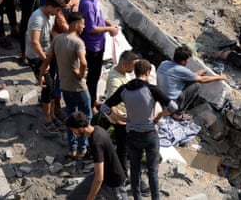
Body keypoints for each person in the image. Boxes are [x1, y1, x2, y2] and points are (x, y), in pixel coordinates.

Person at [101, 59, 178, 200]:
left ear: (135, 72)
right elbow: (173, 107)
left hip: (132, 135)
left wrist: (120, 118)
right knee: (153, 171)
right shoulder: (151, 89)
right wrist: (159, 115)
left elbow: (104, 107)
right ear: (148, 72)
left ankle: (138, 198)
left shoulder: (124, 89)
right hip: (150, 135)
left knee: (135, 170)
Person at [41, 11, 90, 159]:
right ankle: (82, 149)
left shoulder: (57, 39)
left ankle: (72, 149)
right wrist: (81, 74)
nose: (84, 27)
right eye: (82, 24)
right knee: (86, 117)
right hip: (79, 87)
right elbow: (84, 62)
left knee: (71, 116)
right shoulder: (78, 43)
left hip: (64, 86)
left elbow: (48, 58)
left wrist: (41, 73)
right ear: (76, 24)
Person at [25, 0, 66, 134]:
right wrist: (45, 60)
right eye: (57, 10)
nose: (58, 13)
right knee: (47, 86)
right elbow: (35, 42)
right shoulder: (37, 18)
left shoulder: (51, 15)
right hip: (37, 56)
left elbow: (51, 32)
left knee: (52, 83)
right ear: (50, 6)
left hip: (48, 53)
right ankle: (47, 118)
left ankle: (52, 113)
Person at [65, 111, 128, 200]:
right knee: (73, 197)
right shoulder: (97, 129)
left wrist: (90, 198)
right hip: (103, 177)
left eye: (73, 130)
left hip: (113, 183)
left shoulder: (96, 142)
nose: (73, 133)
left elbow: (99, 178)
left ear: (80, 128)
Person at [79, 0, 119, 108]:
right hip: (92, 46)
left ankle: (93, 99)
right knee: (93, 76)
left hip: (99, 43)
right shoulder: (86, 4)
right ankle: (90, 104)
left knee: (96, 75)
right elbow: (90, 28)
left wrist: (109, 24)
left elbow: (99, 18)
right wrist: (108, 29)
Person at [157, 45, 227, 118]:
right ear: (183, 61)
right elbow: (203, 80)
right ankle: (178, 113)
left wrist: (197, 74)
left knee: (188, 81)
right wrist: (220, 77)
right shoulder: (181, 70)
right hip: (171, 103)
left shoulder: (164, 63)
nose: (188, 61)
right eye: (187, 60)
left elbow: (183, 76)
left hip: (160, 97)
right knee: (196, 85)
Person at [104, 50, 139, 173]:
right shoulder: (116, 81)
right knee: (122, 148)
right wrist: (119, 120)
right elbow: (111, 103)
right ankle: (122, 172)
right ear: (125, 65)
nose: (134, 69)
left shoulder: (120, 71)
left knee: (125, 146)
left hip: (125, 116)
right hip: (121, 119)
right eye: (133, 66)